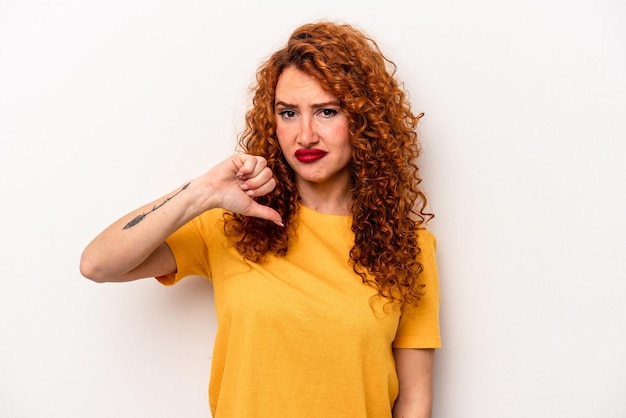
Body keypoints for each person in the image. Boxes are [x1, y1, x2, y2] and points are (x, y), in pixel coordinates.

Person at [80, 20, 441, 418]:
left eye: (326, 111)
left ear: (362, 119)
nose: (305, 135)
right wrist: (202, 193)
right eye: (288, 113)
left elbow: (414, 400)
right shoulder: (232, 223)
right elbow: (98, 264)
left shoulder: (408, 247)